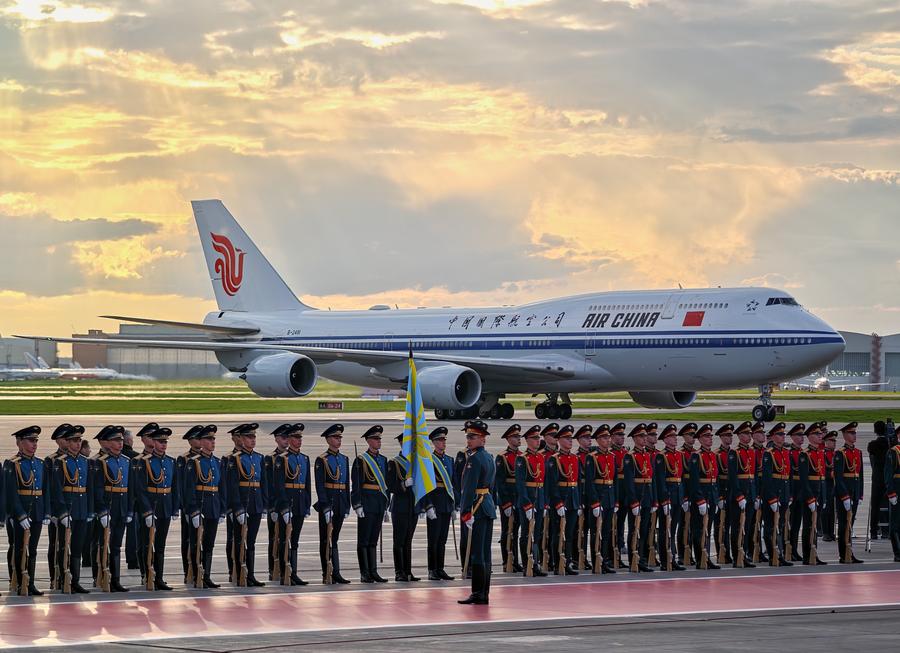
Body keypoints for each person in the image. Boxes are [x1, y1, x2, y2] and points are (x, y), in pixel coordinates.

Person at [5, 425, 48, 596]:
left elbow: (45, 491)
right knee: (19, 547)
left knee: (33, 549)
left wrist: (45, 512)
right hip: (19, 514)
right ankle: (17, 580)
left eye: (36, 441)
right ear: (19, 442)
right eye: (30, 441)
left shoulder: (40, 464)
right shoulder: (12, 464)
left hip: (36, 511)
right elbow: (11, 493)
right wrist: (20, 514)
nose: (34, 444)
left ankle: (29, 582)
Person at [458, 420, 496, 605]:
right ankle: (484, 592)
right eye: (468, 436)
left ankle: (478, 593)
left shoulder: (473, 459)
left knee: (477, 553)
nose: (469, 440)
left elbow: (468, 488)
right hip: (487, 505)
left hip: (477, 508)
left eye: (472, 437)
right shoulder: (488, 457)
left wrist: (465, 512)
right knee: (484, 552)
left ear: (482, 439)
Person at [91, 425, 133, 592]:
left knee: (116, 546)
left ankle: (115, 579)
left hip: (121, 508)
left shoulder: (125, 461)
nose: (120, 443)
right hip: (107, 508)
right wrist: (102, 511)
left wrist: (129, 510)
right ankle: (101, 576)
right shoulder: (99, 462)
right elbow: (97, 489)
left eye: (121, 440)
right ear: (107, 443)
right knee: (103, 544)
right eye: (116, 440)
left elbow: (130, 489)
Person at [134, 426, 177, 590]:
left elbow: (174, 487)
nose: (163, 445)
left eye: (165, 442)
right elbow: (141, 489)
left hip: (164, 507)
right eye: (160, 442)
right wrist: (147, 511)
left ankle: (159, 577)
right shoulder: (144, 462)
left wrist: (174, 508)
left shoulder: (170, 461)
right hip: (151, 507)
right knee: (147, 544)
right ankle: (147, 575)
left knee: (160, 545)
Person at [183, 423, 225, 588]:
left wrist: (222, 509)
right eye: (208, 439)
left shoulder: (217, 461)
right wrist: (193, 510)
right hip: (200, 507)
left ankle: (206, 575)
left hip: (213, 506)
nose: (212, 442)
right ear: (201, 441)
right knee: (196, 542)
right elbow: (189, 488)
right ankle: (196, 574)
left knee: (209, 543)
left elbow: (221, 488)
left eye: (213, 439)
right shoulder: (194, 462)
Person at [52, 424, 93, 593]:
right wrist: (61, 512)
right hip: (68, 510)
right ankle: (63, 579)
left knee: (77, 546)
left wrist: (90, 511)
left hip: (81, 510)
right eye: (74, 441)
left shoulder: (85, 462)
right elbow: (57, 490)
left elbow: (88, 488)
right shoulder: (60, 462)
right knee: (64, 546)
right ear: (67, 443)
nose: (77, 444)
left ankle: (75, 581)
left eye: (79, 441)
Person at [225, 422, 266, 587]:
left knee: (251, 541)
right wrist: (237, 507)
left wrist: (264, 505)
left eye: (254, 436)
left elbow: (263, 484)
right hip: (241, 504)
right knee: (238, 540)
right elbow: (232, 486)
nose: (252, 440)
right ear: (241, 439)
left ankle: (251, 574)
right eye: (249, 437)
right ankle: (238, 572)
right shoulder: (233, 459)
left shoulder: (258, 457)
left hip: (255, 503)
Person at [273, 423, 312, 585]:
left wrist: (307, 504)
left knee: (294, 540)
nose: (299, 440)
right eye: (295, 437)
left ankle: (293, 571)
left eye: (300, 437)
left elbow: (307, 484)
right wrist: (283, 507)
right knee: (285, 539)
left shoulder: (304, 458)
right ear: (288, 439)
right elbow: (279, 485)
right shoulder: (282, 459)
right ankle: (284, 572)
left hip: (299, 503)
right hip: (287, 504)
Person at [351, 424, 389, 583]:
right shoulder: (361, 460)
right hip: (366, 503)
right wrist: (357, 504)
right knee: (364, 539)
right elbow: (357, 484)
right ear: (368, 441)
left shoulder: (383, 460)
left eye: (379, 439)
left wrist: (386, 506)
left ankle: (373, 571)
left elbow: (385, 485)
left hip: (379, 503)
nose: (378, 441)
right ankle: (364, 572)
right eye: (375, 439)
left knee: (373, 539)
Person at [314, 423, 351, 584]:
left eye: (339, 437)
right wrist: (325, 506)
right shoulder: (322, 460)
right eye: (336, 437)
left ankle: (336, 571)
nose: (338, 440)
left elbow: (346, 484)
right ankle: (326, 572)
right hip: (328, 503)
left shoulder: (344, 459)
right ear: (328, 440)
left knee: (334, 539)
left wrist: (347, 504)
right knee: (326, 539)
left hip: (340, 503)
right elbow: (320, 485)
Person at [546, 424, 581, 575]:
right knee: (558, 533)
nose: (570, 441)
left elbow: (576, 482)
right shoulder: (555, 460)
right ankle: (556, 562)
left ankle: (568, 561)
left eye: (570, 438)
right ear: (559, 440)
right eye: (567, 438)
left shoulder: (574, 458)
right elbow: (552, 484)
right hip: (561, 500)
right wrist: (558, 503)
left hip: (572, 500)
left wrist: (578, 502)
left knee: (570, 533)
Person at [45, 423, 76, 591]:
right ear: (58, 441)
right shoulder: (51, 460)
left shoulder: (75, 460)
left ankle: (68, 576)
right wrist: (52, 513)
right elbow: (49, 488)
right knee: (56, 544)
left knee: (70, 545)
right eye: (65, 438)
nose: (68, 441)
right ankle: (54, 577)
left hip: (72, 509)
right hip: (57, 511)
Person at [622, 423, 656, 572]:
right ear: (635, 438)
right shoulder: (630, 457)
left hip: (647, 496)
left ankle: (642, 559)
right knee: (634, 530)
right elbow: (629, 483)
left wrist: (654, 499)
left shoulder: (647, 455)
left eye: (645, 436)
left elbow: (651, 479)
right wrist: (634, 502)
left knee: (644, 530)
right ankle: (633, 560)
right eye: (641, 436)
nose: (644, 438)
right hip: (637, 497)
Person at [388, 433, 422, 581]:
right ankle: (399, 571)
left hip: (412, 506)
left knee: (409, 540)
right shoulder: (394, 463)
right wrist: (403, 484)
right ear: (401, 444)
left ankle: (408, 571)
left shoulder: (416, 463)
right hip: (400, 507)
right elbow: (390, 486)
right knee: (399, 540)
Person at [585, 424, 618, 573]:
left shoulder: (612, 456)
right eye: (604, 438)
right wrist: (595, 503)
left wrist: (615, 500)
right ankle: (596, 562)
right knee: (595, 532)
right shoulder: (592, 458)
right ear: (598, 440)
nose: (608, 440)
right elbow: (590, 483)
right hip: (599, 498)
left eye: (608, 437)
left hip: (609, 498)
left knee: (606, 532)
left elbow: (614, 480)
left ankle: (604, 560)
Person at [423, 427, 455, 581]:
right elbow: (426, 485)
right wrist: (428, 506)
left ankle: (440, 568)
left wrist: (454, 505)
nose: (443, 443)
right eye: (440, 440)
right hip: (435, 504)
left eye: (443, 440)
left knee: (442, 539)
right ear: (434, 443)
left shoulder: (449, 460)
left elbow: (453, 484)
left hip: (446, 504)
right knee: (433, 539)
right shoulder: (429, 460)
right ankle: (432, 569)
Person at [516, 425, 547, 577]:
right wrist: (527, 504)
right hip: (528, 500)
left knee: (538, 533)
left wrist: (545, 503)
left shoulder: (540, 457)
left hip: (539, 499)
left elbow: (544, 482)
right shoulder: (522, 459)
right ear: (528, 440)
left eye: (538, 438)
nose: (538, 441)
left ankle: (536, 563)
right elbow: (520, 484)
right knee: (527, 534)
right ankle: (526, 563)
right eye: (535, 438)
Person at [654, 424, 685, 571]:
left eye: (675, 436)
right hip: (668, 497)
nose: (675, 439)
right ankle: (665, 559)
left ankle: (673, 556)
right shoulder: (661, 456)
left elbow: (681, 477)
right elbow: (660, 480)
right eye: (672, 437)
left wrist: (683, 497)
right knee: (665, 529)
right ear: (665, 440)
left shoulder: (679, 455)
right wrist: (665, 500)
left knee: (673, 529)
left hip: (678, 495)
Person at [761, 422, 792, 567]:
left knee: (780, 525)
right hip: (773, 495)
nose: (783, 436)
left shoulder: (786, 453)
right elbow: (767, 479)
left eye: (783, 434)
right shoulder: (768, 454)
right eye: (780, 434)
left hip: (784, 494)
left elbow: (788, 476)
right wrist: (772, 498)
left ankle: (779, 554)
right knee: (771, 526)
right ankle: (773, 554)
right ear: (773, 437)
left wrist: (789, 495)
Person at [176, 425, 204, 584]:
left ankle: (200, 568)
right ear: (190, 441)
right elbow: (181, 485)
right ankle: (189, 570)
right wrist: (185, 507)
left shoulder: (205, 458)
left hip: (203, 504)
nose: (199, 441)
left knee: (201, 538)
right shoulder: (184, 459)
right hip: (190, 506)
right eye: (196, 438)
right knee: (188, 539)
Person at [689, 424, 720, 570]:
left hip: (712, 496)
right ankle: (700, 557)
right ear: (700, 439)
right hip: (701, 498)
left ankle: (706, 557)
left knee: (708, 528)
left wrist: (717, 497)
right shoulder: (696, 456)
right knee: (699, 529)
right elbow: (694, 481)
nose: (710, 439)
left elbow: (715, 478)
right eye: (707, 436)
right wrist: (700, 500)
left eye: (710, 436)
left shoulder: (713, 455)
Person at [833, 422, 864, 564]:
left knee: (851, 523)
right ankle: (843, 553)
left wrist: (860, 493)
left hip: (854, 492)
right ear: (845, 435)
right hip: (844, 494)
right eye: (851, 433)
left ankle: (849, 552)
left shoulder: (858, 452)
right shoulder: (840, 453)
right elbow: (838, 478)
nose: (854, 435)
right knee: (844, 524)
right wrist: (845, 496)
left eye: (855, 433)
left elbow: (860, 475)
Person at [495, 424, 523, 573]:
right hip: (508, 498)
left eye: (519, 437)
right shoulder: (502, 457)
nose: (518, 439)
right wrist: (506, 503)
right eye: (515, 437)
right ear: (508, 439)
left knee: (517, 530)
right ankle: (507, 561)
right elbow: (500, 482)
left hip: (519, 498)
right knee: (507, 530)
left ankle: (515, 560)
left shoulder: (521, 456)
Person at [728, 421, 756, 568]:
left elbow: (754, 476)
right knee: (738, 527)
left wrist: (755, 495)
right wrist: (739, 496)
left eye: (750, 433)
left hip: (750, 495)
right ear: (739, 435)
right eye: (746, 433)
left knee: (748, 527)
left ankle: (744, 554)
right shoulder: (734, 453)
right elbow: (733, 477)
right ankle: (736, 556)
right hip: (739, 497)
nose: (749, 436)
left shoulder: (751, 452)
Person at [264, 424, 291, 580]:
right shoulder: (271, 459)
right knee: (274, 538)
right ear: (276, 439)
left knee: (287, 538)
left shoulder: (293, 458)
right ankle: (272, 568)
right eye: (282, 437)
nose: (285, 440)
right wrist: (272, 508)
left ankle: (285, 567)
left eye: (287, 437)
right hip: (276, 506)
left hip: (288, 504)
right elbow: (269, 485)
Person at [798, 423, 826, 565]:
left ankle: (814, 552)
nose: (821, 436)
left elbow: (822, 477)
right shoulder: (805, 454)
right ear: (810, 437)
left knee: (815, 524)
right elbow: (804, 479)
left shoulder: (820, 453)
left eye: (821, 434)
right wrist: (810, 498)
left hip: (819, 492)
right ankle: (807, 554)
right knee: (809, 524)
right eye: (817, 434)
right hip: (809, 494)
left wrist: (824, 496)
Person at [574, 424, 595, 570]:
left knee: (590, 528)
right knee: (579, 530)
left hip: (591, 496)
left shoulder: (593, 457)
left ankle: (588, 557)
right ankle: (578, 557)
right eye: (586, 438)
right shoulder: (576, 458)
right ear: (580, 440)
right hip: (581, 496)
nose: (589, 441)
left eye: (590, 438)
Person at [676, 423, 697, 566]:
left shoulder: (696, 453)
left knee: (694, 526)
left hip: (695, 493)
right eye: (690, 435)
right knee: (683, 525)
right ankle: (683, 554)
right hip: (685, 493)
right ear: (684, 436)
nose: (693, 438)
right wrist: (684, 497)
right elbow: (682, 477)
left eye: (694, 435)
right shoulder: (682, 454)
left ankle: (692, 554)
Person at [715, 424, 734, 565]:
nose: (730, 437)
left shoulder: (734, 454)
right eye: (727, 435)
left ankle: (732, 552)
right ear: (721, 437)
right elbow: (715, 479)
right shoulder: (716, 455)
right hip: (722, 493)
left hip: (733, 494)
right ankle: (722, 553)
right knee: (720, 526)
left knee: (732, 525)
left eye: (730, 435)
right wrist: (720, 497)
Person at [787, 423, 806, 561]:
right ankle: (789, 549)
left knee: (797, 523)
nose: (801, 438)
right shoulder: (790, 453)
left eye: (802, 435)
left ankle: (794, 549)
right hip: (793, 491)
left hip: (803, 491)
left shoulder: (803, 453)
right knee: (790, 523)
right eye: (799, 435)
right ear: (793, 437)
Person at [868, 421, 890, 540]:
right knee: (889, 503)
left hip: (877, 478)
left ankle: (873, 531)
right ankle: (887, 530)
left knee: (875, 505)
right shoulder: (889, 444)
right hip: (888, 478)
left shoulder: (872, 445)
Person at [885, 426, 900, 561]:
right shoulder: (893, 452)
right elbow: (888, 474)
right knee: (895, 523)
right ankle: (898, 552)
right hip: (897, 490)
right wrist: (891, 493)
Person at [822, 431, 838, 542]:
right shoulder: (823, 454)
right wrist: (830, 474)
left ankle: (831, 532)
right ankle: (825, 532)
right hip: (826, 484)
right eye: (832, 441)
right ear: (826, 442)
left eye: (834, 441)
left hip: (834, 484)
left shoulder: (836, 454)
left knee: (832, 509)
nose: (834, 443)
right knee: (826, 509)